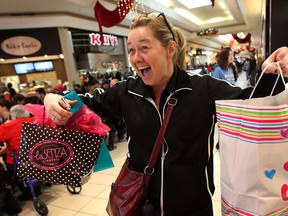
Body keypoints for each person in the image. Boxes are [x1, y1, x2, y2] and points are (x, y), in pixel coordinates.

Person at [43, 11, 288, 215]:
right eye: (132, 50)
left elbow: (252, 102)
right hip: (140, 204)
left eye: (144, 48)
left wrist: (273, 73)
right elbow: (85, 104)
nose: (136, 58)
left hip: (193, 207)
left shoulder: (201, 88)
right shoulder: (128, 91)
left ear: (170, 49)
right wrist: (52, 98)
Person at [0, 105, 41, 201]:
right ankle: (37, 189)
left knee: (9, 166)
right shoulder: (36, 119)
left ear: (13, 116)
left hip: (20, 160)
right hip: (40, 155)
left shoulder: (7, 127)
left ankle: (27, 194)